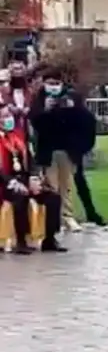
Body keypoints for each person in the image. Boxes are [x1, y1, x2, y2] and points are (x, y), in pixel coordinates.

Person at [28, 67, 97, 232]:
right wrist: (46, 110)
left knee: (66, 185)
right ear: (44, 84)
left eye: (56, 83)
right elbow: (35, 121)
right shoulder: (39, 99)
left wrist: (72, 108)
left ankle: (68, 216)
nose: (53, 87)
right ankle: (53, 219)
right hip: (48, 150)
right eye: (50, 83)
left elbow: (86, 121)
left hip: (67, 149)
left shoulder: (72, 97)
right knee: (52, 185)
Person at [0, 105, 66, 254]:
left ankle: (49, 239)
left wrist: (34, 178)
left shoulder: (18, 137)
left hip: (24, 179)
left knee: (53, 198)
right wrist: (12, 182)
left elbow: (31, 161)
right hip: (5, 183)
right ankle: (21, 240)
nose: (8, 119)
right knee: (20, 199)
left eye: (9, 116)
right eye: (3, 117)